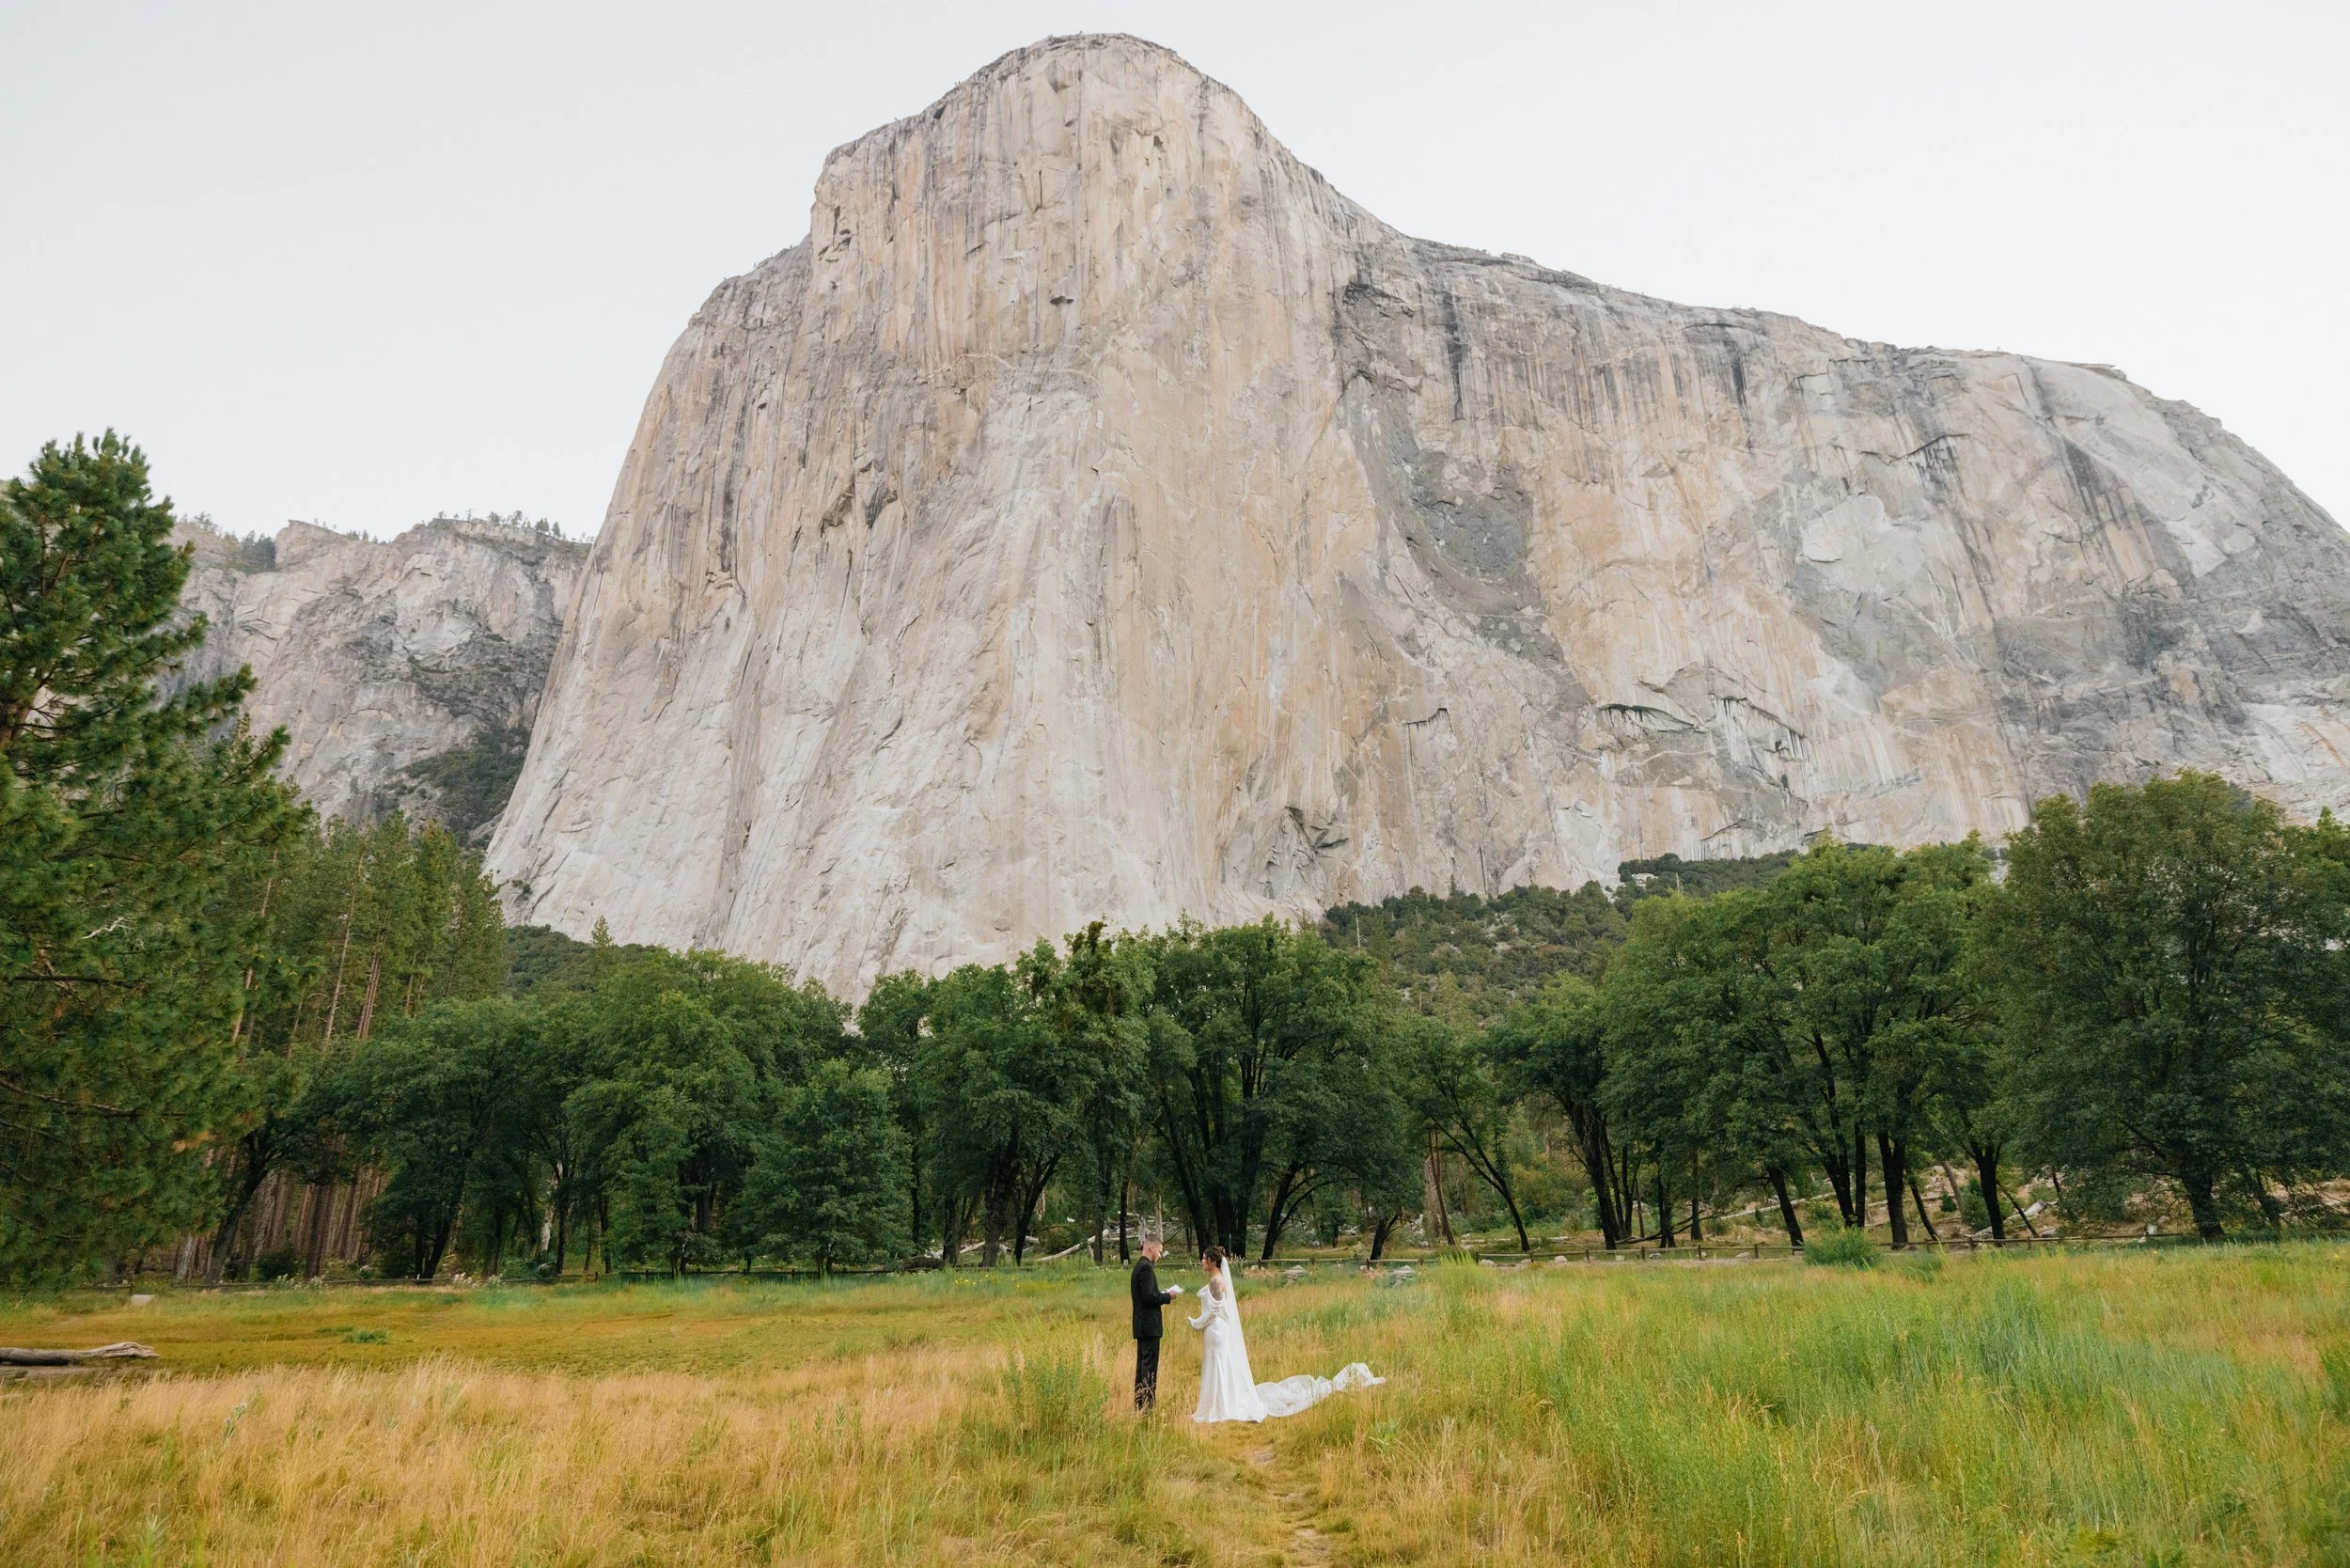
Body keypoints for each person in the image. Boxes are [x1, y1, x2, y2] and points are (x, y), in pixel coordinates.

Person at [1188, 1246, 1386, 1423]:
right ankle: (1221, 1404)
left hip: (1215, 1329)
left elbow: (1213, 1311)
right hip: (1218, 1330)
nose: (1202, 1262)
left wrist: (1196, 1324)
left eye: (1204, 1259)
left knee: (1218, 1367)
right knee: (1220, 1366)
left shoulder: (1216, 1281)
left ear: (1213, 1262)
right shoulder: (1218, 1279)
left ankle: (1220, 1407)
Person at [1128, 1238, 1183, 1409]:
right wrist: (1168, 1296)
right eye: (1159, 1251)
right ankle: (1147, 1405)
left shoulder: (1139, 1266)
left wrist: (1160, 1293)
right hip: (1149, 1326)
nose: (1159, 1256)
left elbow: (1148, 1294)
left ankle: (1139, 1403)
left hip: (1142, 1325)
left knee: (1142, 1366)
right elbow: (1149, 1297)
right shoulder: (1146, 1268)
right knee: (1149, 1368)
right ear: (1151, 1248)